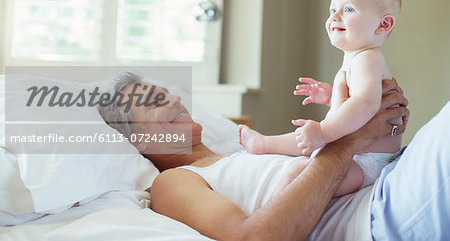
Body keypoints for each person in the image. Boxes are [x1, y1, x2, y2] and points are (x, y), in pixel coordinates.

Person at [99, 72, 411, 240]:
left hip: (393, 174)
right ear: (139, 139)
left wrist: (382, 133)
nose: (176, 100)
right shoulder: (174, 182)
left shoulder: (241, 150)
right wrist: (350, 143)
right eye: (155, 102)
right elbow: (253, 238)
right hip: (376, 214)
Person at [240, 0, 403, 196]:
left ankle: (266, 147)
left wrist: (324, 132)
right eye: (332, 9)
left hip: (367, 162)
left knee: (301, 176)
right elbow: (355, 105)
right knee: (306, 137)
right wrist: (331, 98)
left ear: (383, 24)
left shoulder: (367, 59)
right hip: (358, 152)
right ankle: (265, 143)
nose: (335, 16)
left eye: (348, 9)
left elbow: (366, 104)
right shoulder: (359, 57)